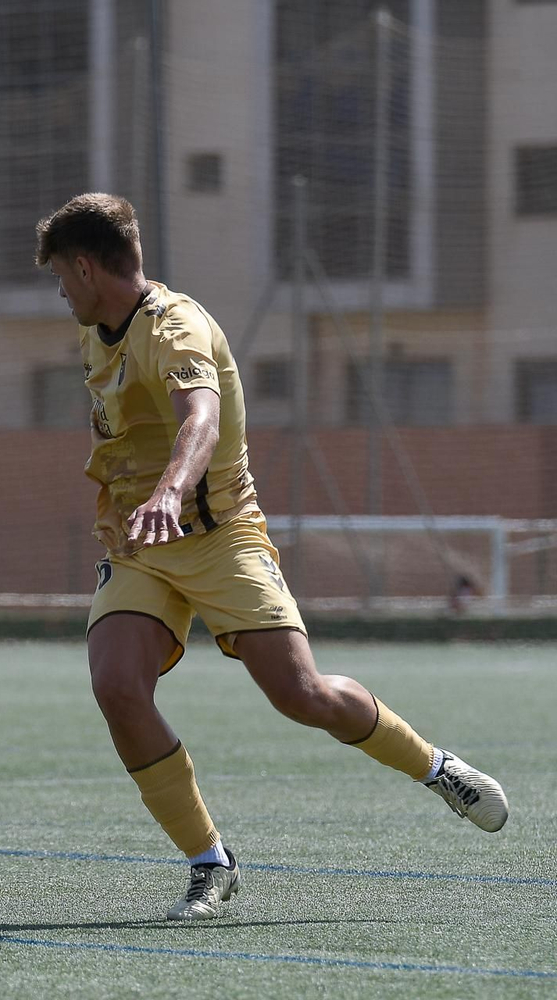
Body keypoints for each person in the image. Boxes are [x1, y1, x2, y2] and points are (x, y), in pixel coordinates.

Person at [35, 193, 508, 920]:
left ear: (88, 266)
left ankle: (437, 769)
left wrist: (169, 492)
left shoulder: (178, 328)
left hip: (222, 536)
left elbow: (202, 419)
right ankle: (209, 863)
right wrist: (145, 508)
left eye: (61, 276)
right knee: (117, 687)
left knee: (301, 696)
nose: (59, 291)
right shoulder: (99, 329)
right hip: (140, 548)